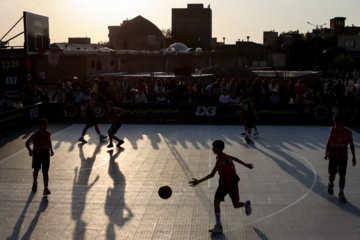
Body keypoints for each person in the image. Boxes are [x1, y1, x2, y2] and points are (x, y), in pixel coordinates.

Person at [189, 140, 254, 233]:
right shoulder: (223, 155)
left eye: (214, 148)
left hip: (232, 185)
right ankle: (218, 225)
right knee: (216, 202)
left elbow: (212, 175)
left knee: (236, 205)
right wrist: (245, 164)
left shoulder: (221, 160)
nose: (212, 149)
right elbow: (234, 158)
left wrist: (198, 182)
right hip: (223, 184)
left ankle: (246, 204)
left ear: (219, 149)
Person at [324, 115, 356, 202]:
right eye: (335, 123)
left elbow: (352, 145)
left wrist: (354, 157)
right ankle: (331, 184)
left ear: (342, 123)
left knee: (342, 175)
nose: (336, 125)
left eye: (337, 123)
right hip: (333, 156)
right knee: (332, 175)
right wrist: (326, 153)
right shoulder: (332, 130)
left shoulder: (348, 132)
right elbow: (329, 142)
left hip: (343, 157)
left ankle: (341, 193)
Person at [25, 119, 54, 195]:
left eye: (46, 125)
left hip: (45, 155)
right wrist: (30, 150)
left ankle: (46, 188)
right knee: (36, 170)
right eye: (43, 125)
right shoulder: (35, 135)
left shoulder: (48, 133)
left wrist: (51, 149)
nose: (44, 127)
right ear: (39, 126)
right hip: (37, 155)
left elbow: (49, 141)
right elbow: (27, 143)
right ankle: (35, 182)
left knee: (45, 171)